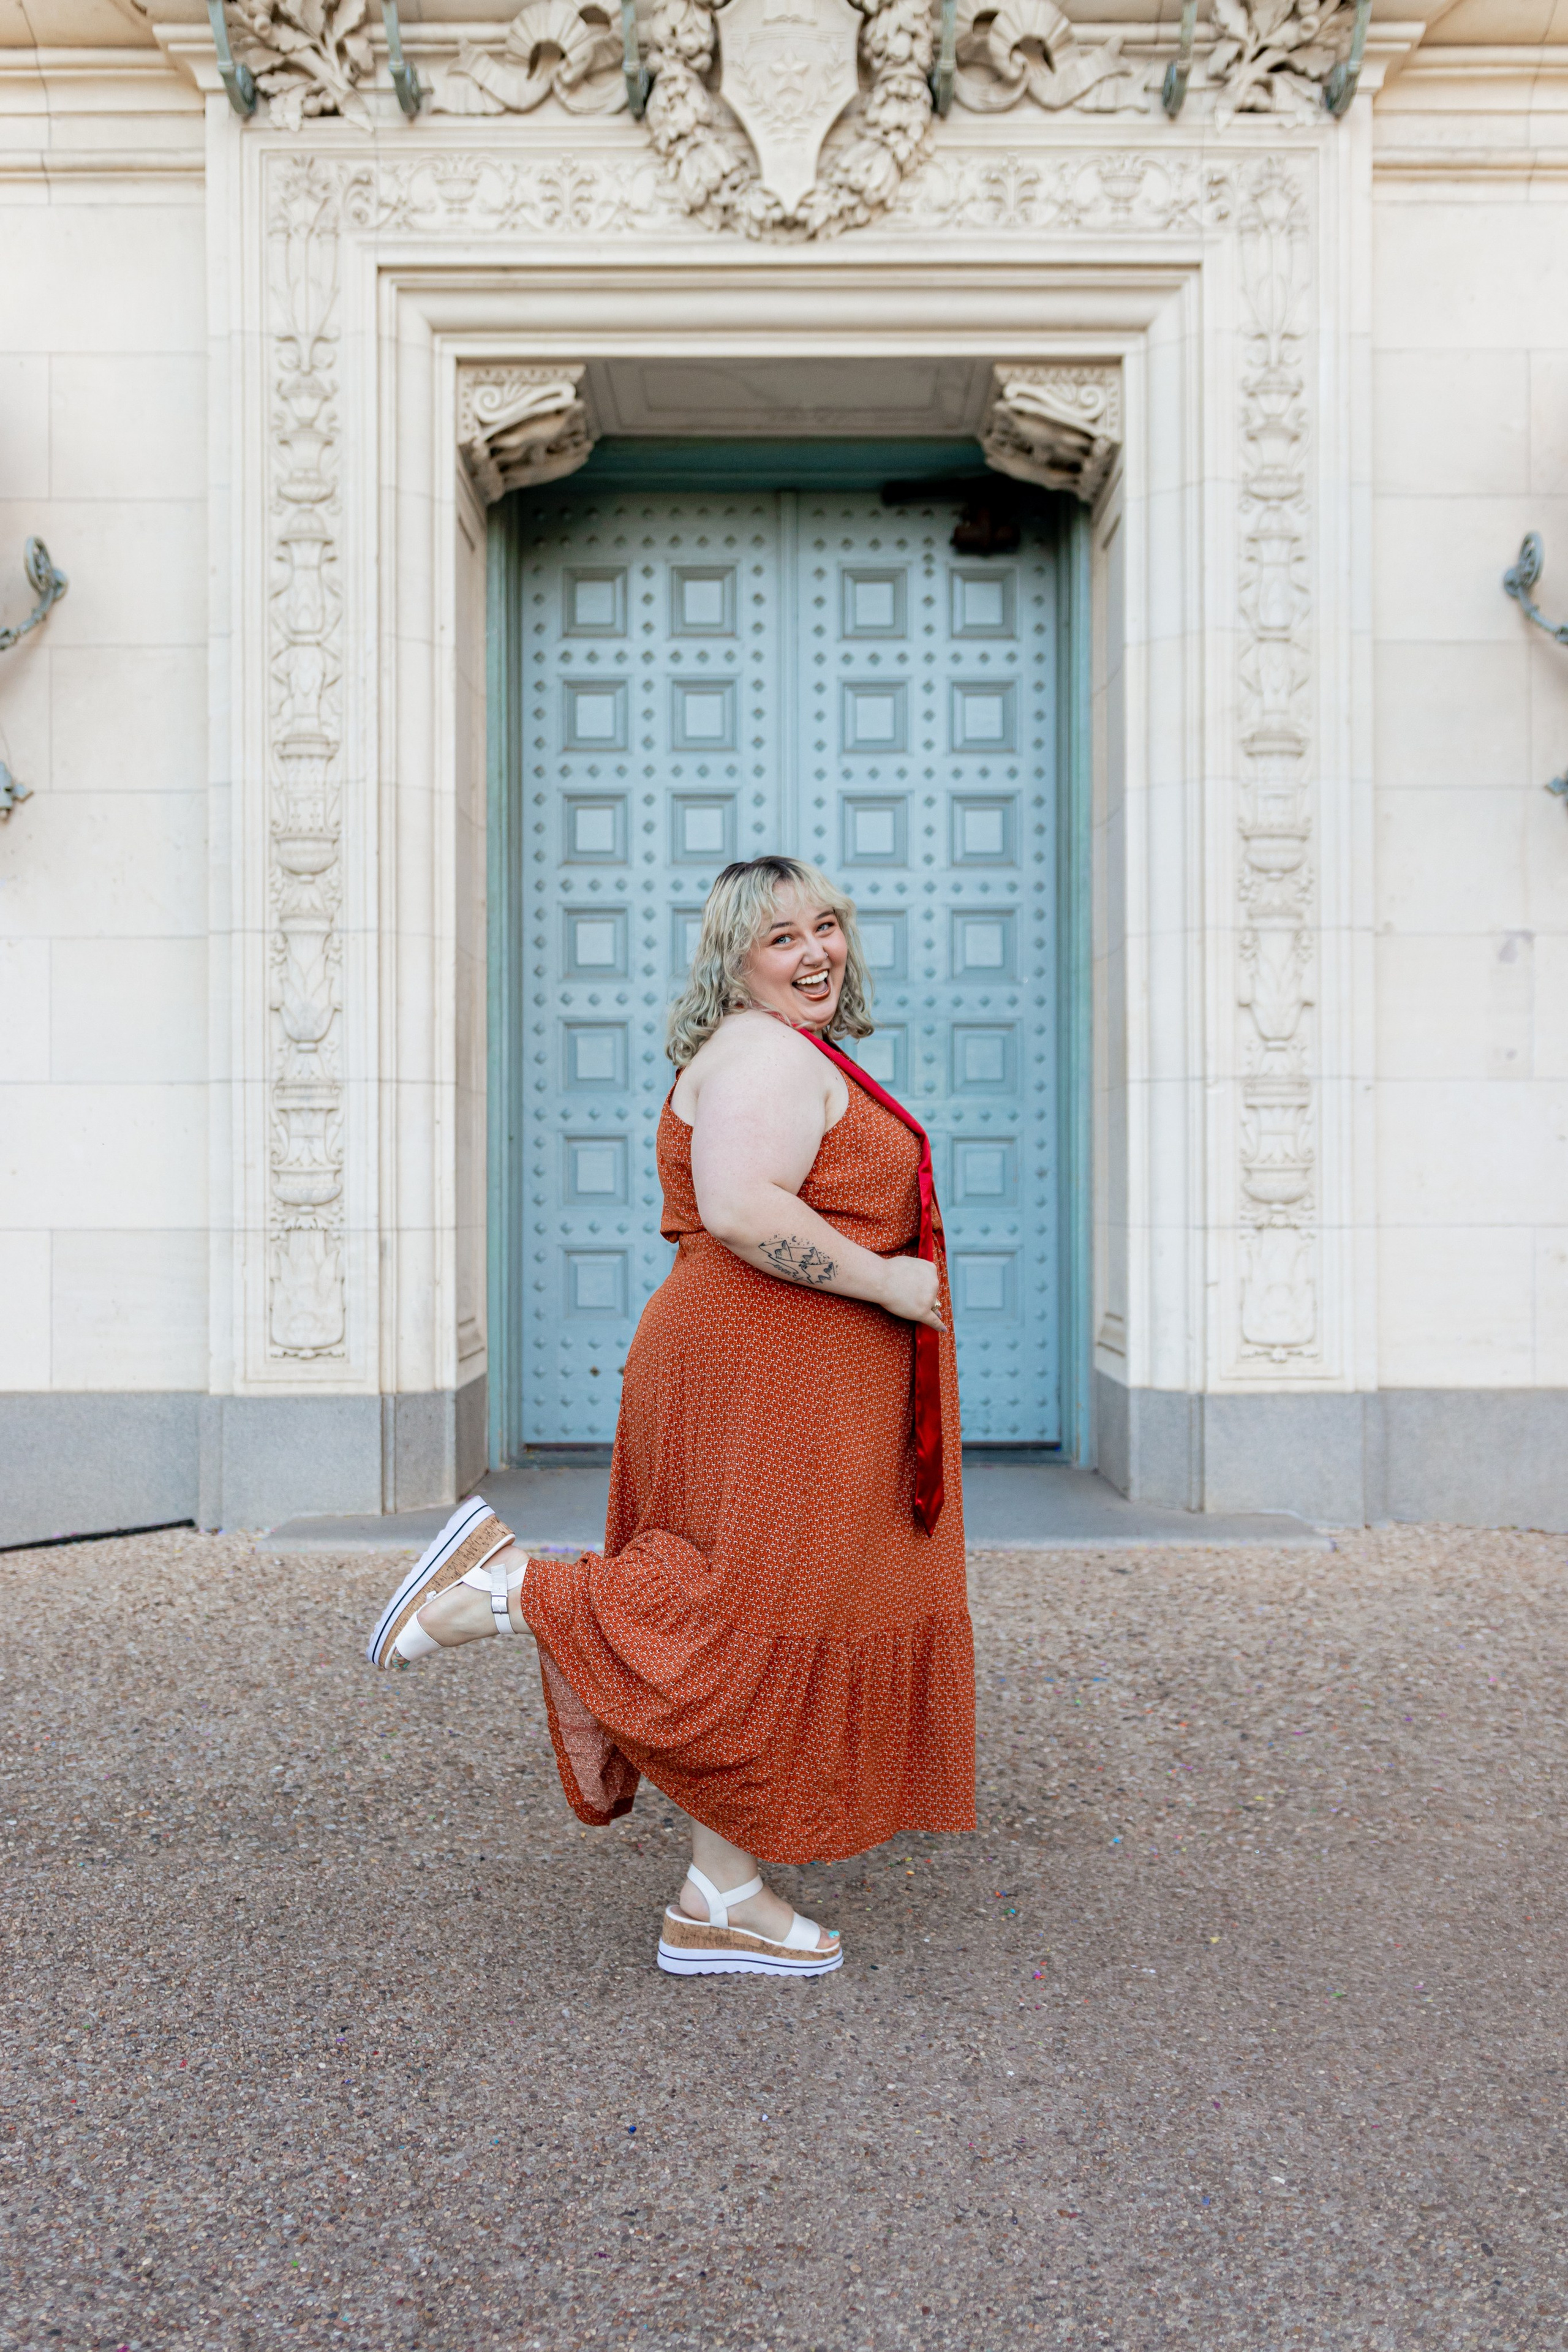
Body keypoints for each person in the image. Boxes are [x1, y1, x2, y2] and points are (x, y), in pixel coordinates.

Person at [367, 856, 975, 1977]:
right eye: (782, 936)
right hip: (764, 1368)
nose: (816, 952)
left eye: (827, 926)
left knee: (776, 1607)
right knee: (743, 1602)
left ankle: (721, 1890)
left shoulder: (794, 1052)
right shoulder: (758, 1050)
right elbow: (745, 1206)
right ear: (735, 961)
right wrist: (892, 1285)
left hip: (783, 1368)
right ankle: (505, 1590)